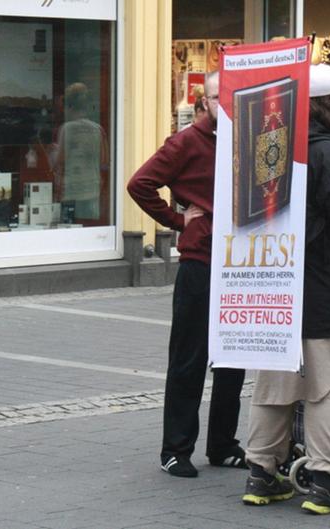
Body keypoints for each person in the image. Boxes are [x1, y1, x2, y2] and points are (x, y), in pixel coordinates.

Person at [241, 63, 330, 515]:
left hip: (273, 284)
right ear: (327, 106)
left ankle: (261, 473)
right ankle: (326, 480)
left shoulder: (267, 147)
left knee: (275, 383)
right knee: (329, 387)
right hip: (326, 286)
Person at [127, 72, 247, 478]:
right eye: (216, 98)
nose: (222, 105)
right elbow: (140, 184)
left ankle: (223, 444)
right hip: (201, 262)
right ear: (204, 102)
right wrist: (178, 220)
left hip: (240, 264)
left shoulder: (243, 138)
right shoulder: (185, 142)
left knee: (233, 360)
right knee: (189, 359)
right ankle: (175, 449)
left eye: (229, 99)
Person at [52, 82, 110, 223]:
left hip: (71, 191)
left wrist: (52, 151)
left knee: (69, 230)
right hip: (92, 190)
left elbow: (59, 161)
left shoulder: (67, 129)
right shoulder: (98, 129)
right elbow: (104, 160)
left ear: (69, 107)